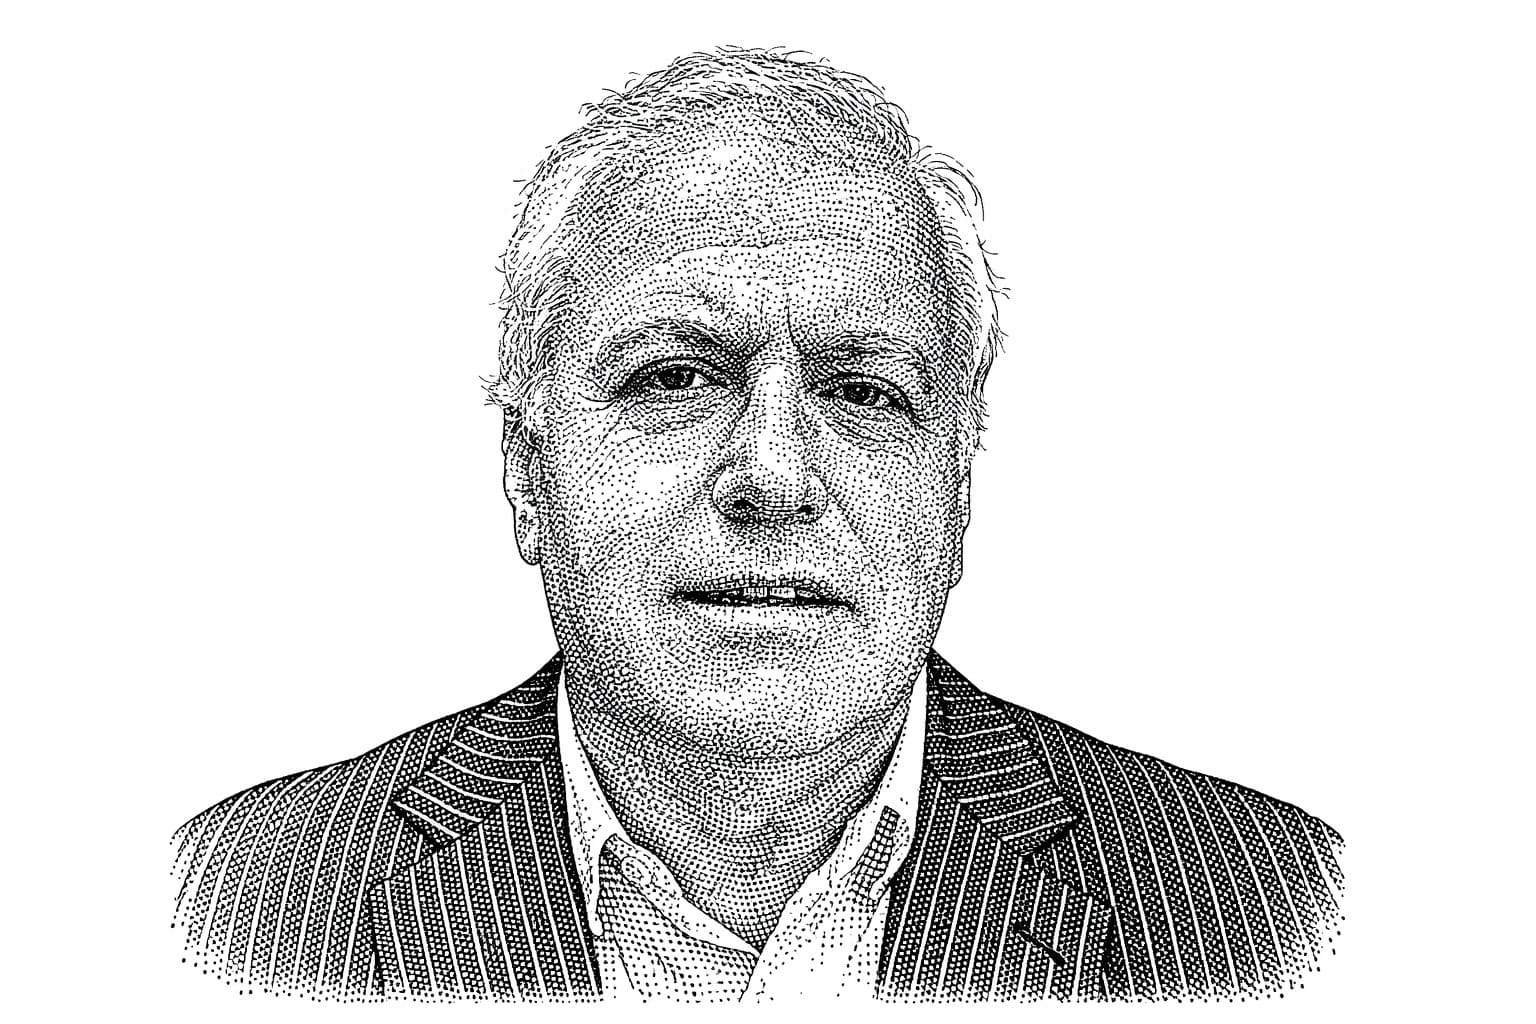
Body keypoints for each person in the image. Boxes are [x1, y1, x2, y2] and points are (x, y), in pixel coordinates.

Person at [171, 47, 1343, 1003]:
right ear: (527, 472)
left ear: (956, 489)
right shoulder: (241, 901)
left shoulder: (1273, 907)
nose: (774, 475)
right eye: (675, 377)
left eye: (864, 391)